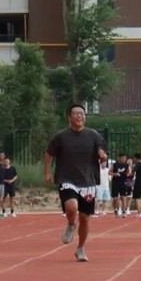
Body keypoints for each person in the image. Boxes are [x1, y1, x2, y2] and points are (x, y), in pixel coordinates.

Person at [44, 104, 108, 262]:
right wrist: (47, 172)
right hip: (67, 179)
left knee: (85, 218)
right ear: (69, 117)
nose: (79, 116)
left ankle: (80, 248)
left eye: (82, 113)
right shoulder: (61, 137)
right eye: (76, 113)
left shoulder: (93, 135)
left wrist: (103, 156)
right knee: (72, 206)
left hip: (88, 181)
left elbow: (104, 154)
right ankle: (71, 223)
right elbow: (48, 153)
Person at [110, 153, 131, 217]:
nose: (124, 159)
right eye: (122, 158)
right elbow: (109, 172)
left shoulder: (127, 165)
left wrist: (128, 173)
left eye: (125, 158)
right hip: (115, 183)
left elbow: (129, 172)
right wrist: (115, 174)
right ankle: (115, 210)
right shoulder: (114, 164)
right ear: (119, 158)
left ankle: (123, 211)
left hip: (123, 183)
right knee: (115, 198)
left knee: (123, 197)